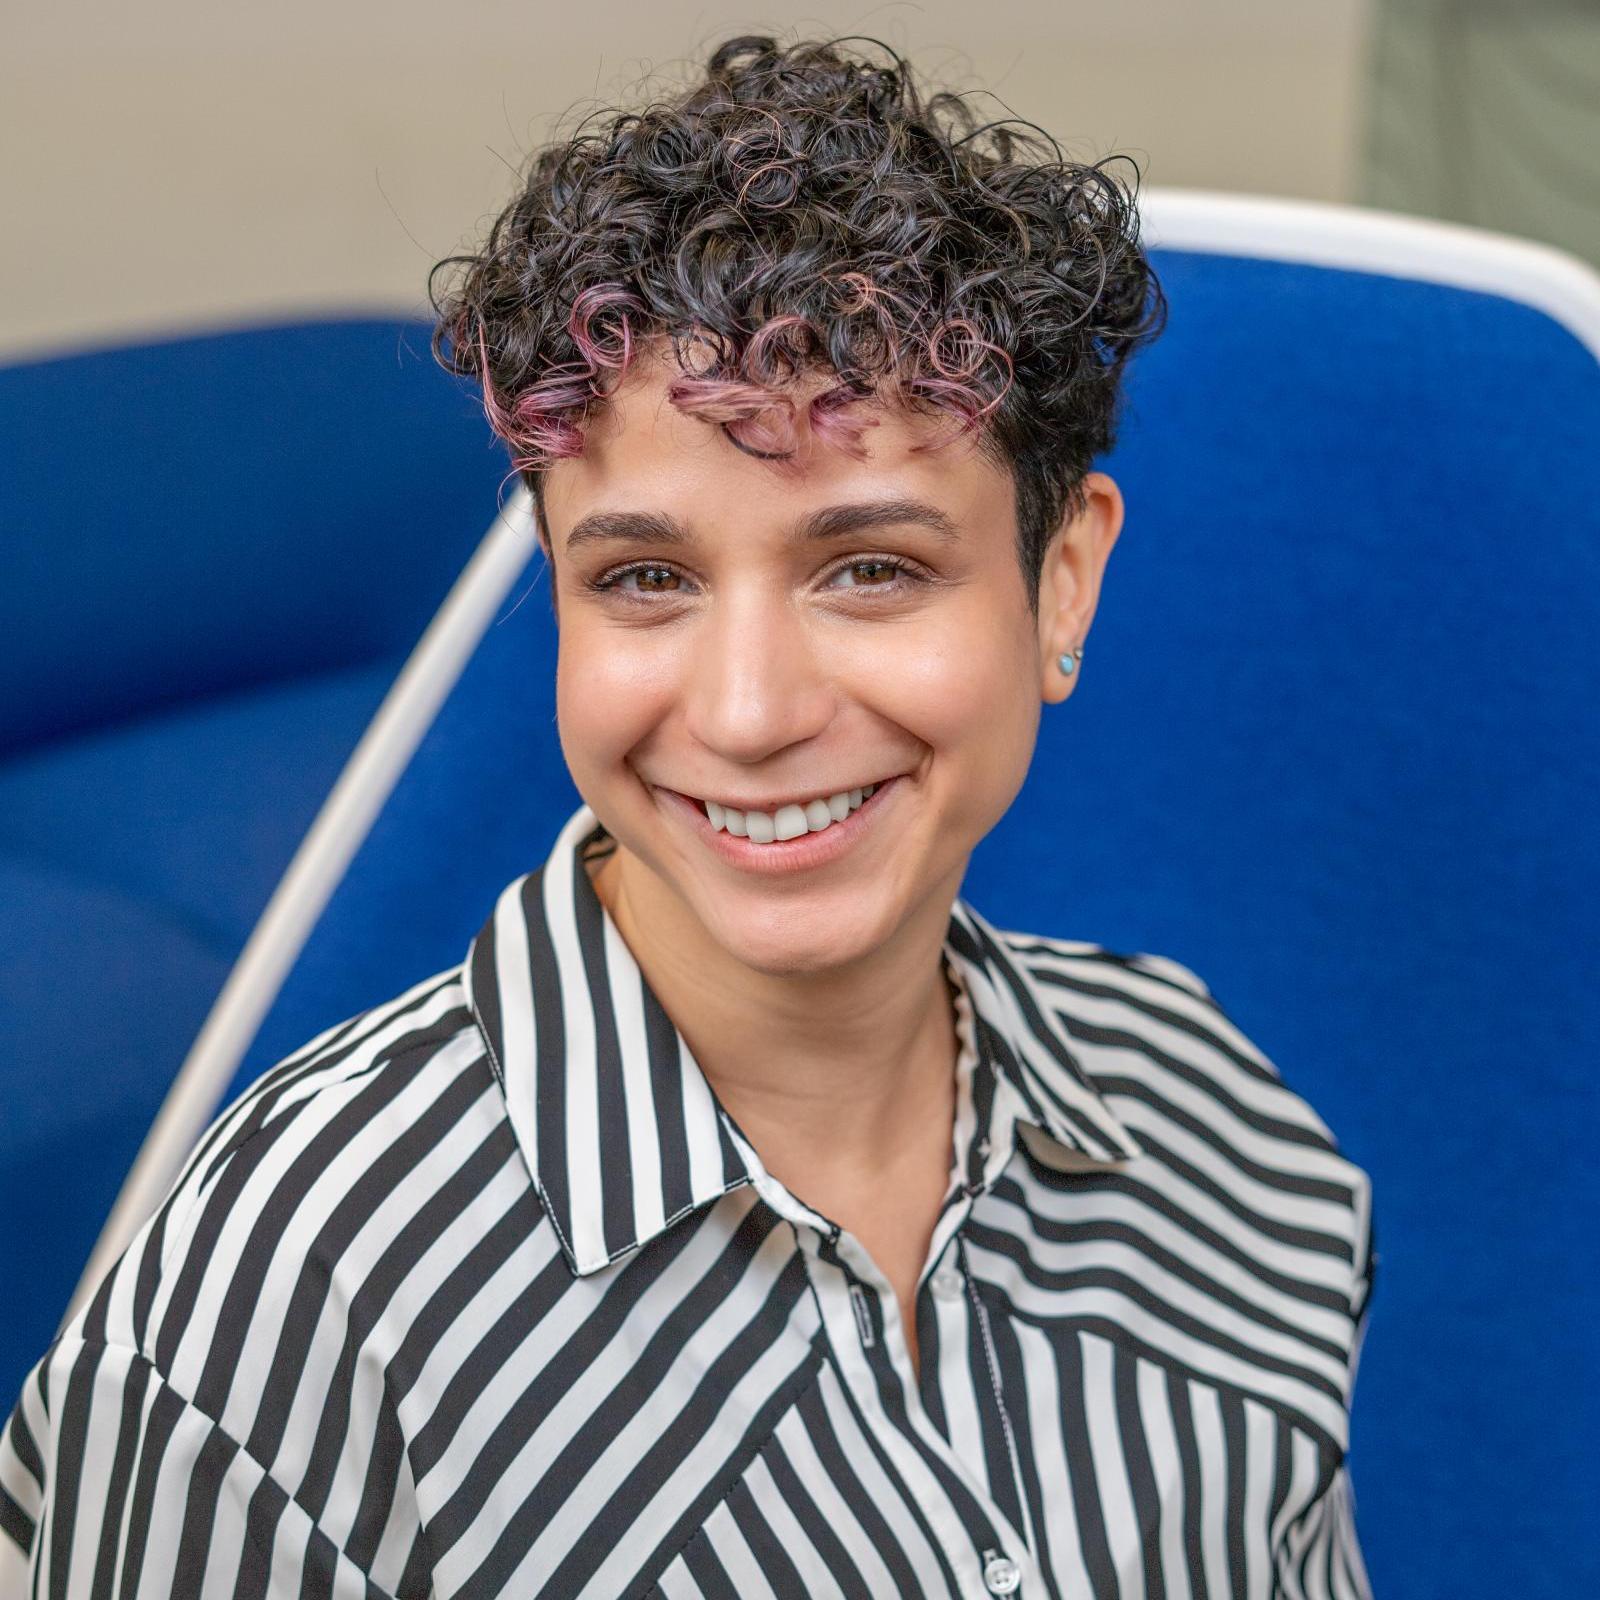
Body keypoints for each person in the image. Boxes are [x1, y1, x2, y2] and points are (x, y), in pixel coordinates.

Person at [0, 33, 1377, 1598]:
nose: (744, 711)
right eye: (644, 579)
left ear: (1062, 580)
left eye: (871, 566)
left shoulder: (1234, 1149)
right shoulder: (279, 1312)